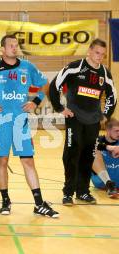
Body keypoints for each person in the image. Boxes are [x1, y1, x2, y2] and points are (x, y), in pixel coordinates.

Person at [0, 34, 59, 218]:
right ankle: (5, 201)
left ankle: (39, 204)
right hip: (0, 123)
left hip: (21, 123)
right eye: (10, 45)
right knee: (2, 161)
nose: (14, 48)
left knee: (28, 161)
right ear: (2, 49)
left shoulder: (27, 67)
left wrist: (35, 101)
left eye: (16, 45)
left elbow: (45, 84)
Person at [49, 38, 117, 205]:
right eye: (96, 53)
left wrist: (105, 115)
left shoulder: (105, 73)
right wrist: (60, 108)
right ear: (89, 51)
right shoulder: (74, 67)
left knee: (89, 155)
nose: (99, 57)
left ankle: (83, 192)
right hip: (75, 118)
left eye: (103, 54)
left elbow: (112, 96)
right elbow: (54, 85)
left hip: (93, 121)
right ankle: (67, 193)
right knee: (72, 153)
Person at [91, 118, 119, 198]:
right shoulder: (98, 140)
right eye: (116, 131)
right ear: (108, 130)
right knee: (93, 150)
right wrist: (110, 147)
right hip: (101, 182)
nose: (118, 133)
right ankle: (109, 183)